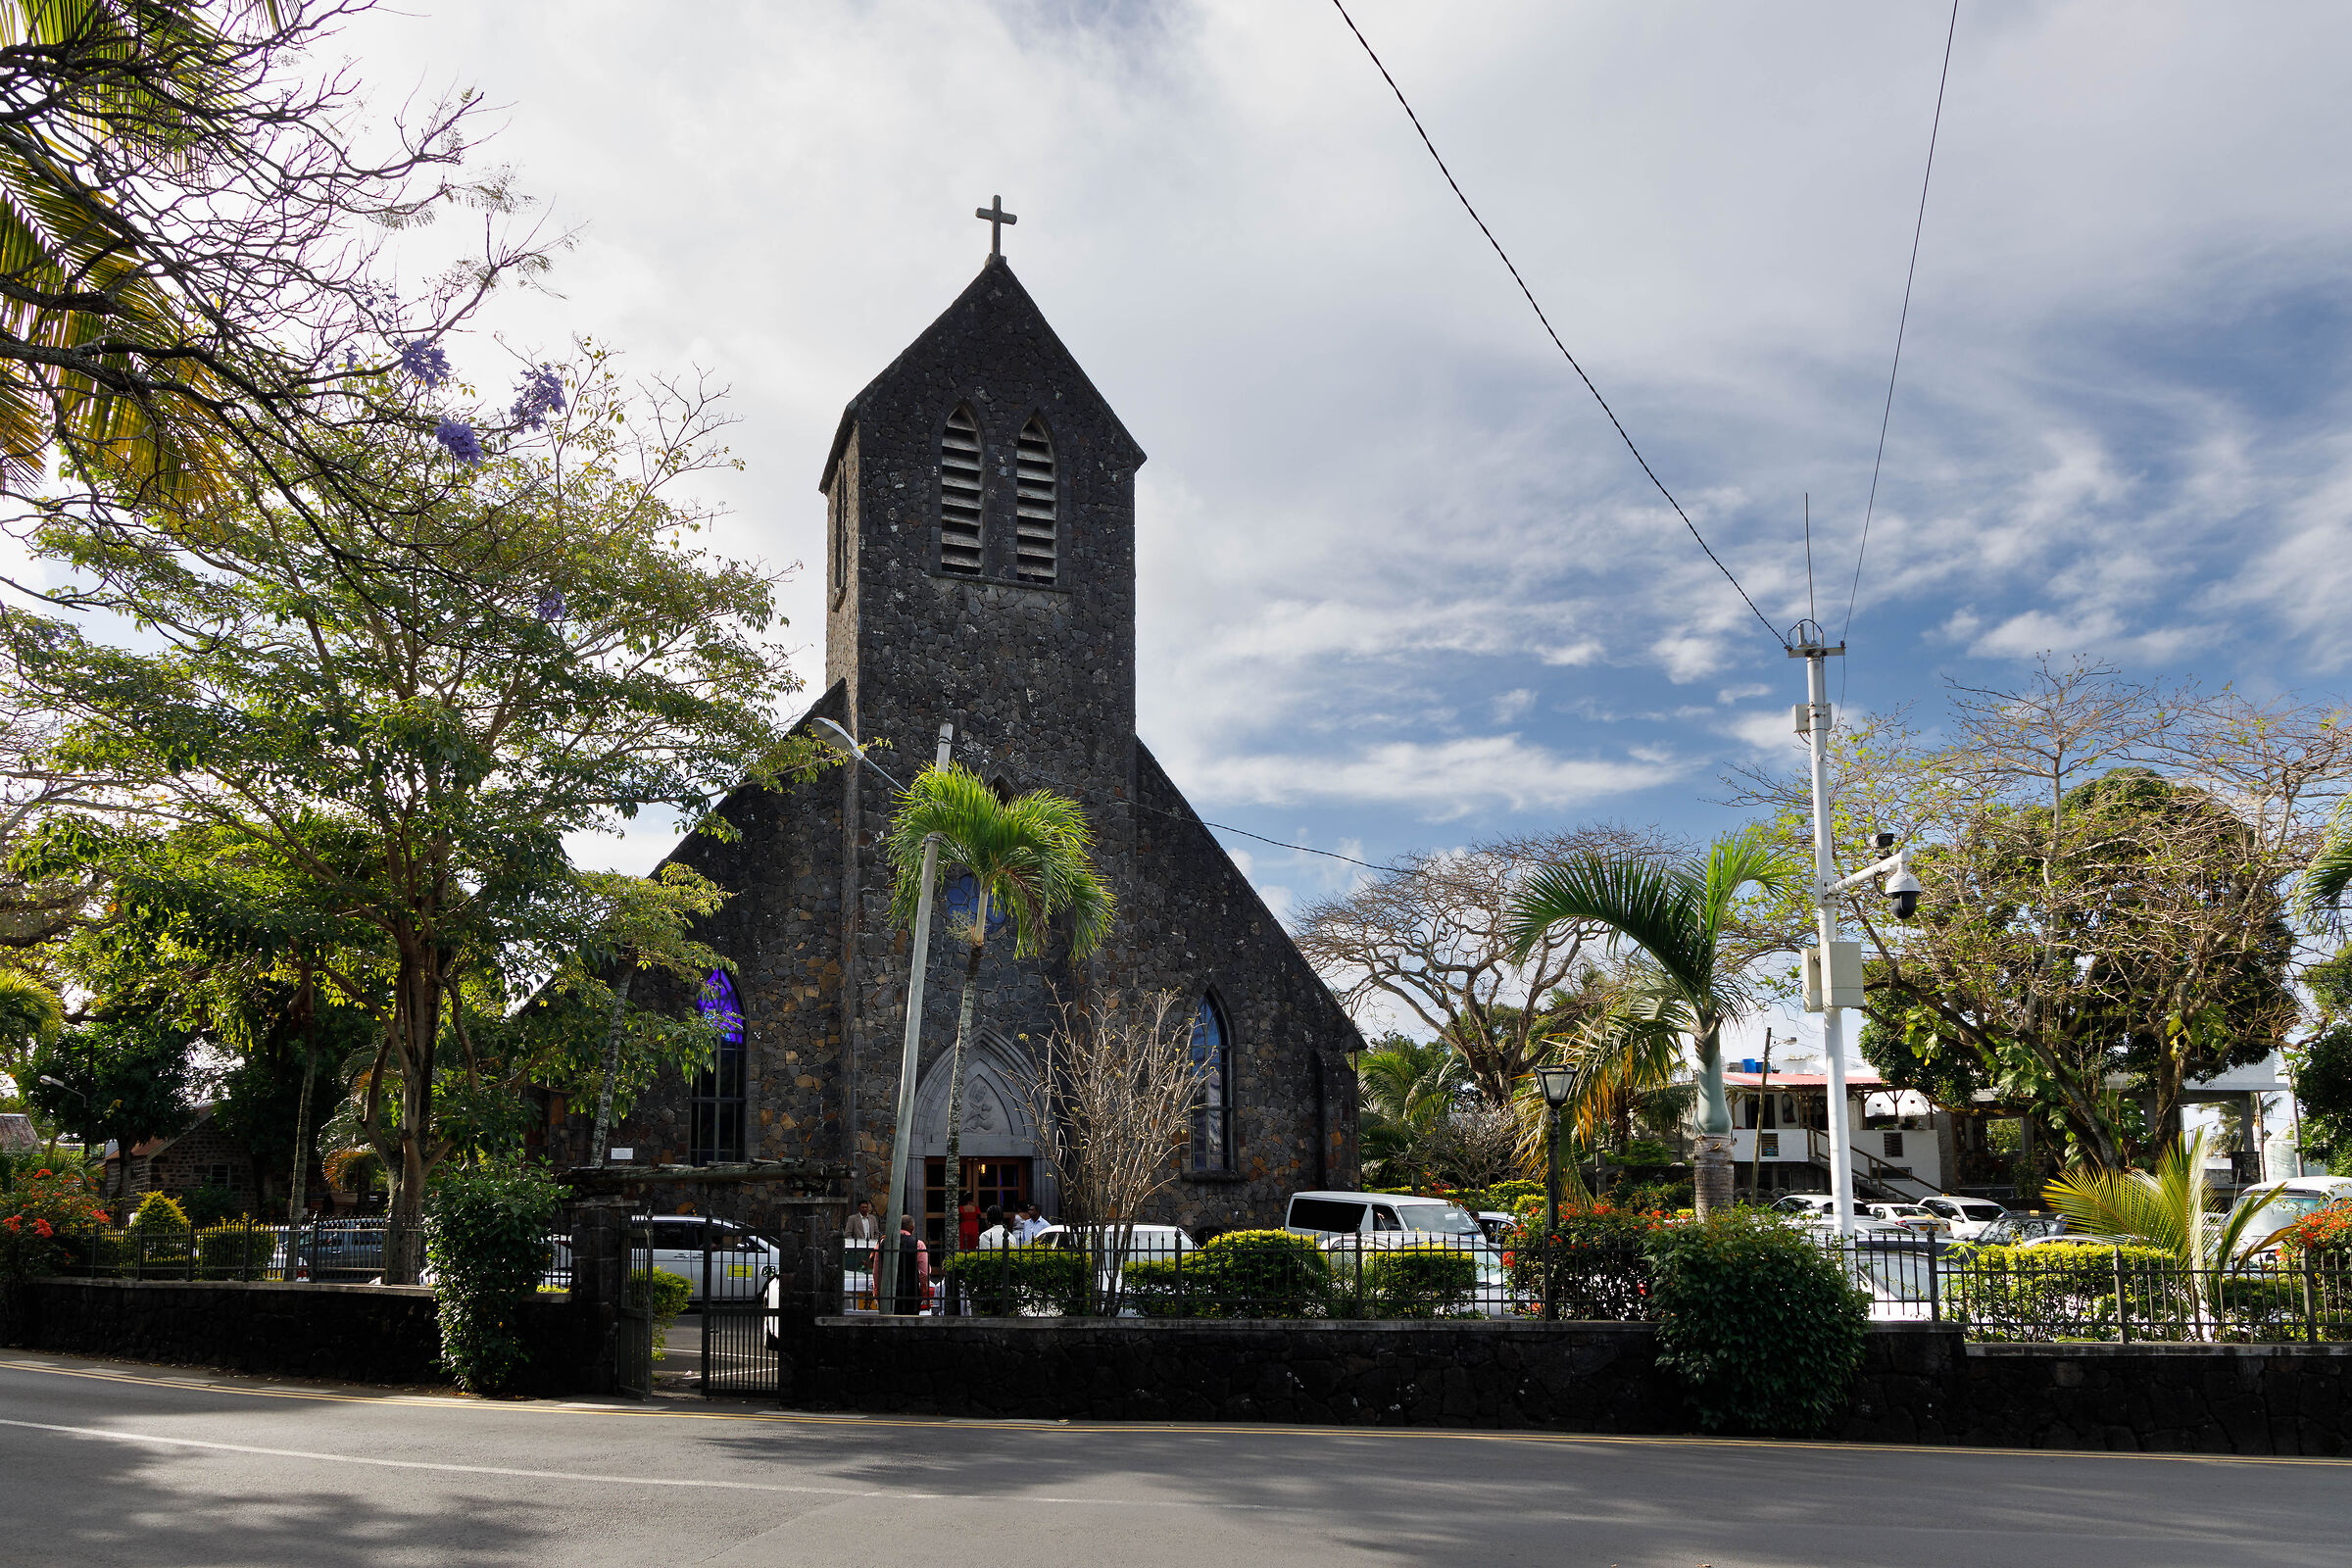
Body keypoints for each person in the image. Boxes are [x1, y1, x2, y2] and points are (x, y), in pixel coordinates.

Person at [892, 1216, 924, 1316]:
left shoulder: (884, 1242)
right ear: (912, 1228)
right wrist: (924, 1289)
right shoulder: (918, 1244)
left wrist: (877, 1291)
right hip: (911, 1292)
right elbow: (924, 1272)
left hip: (890, 1292)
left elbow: (877, 1270)